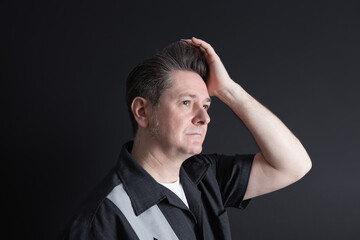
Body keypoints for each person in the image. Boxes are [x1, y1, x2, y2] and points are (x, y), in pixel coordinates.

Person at [60, 37, 312, 240]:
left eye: (206, 105)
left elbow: (294, 165)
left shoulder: (205, 176)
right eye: (186, 102)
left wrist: (228, 90)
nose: (204, 117)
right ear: (143, 112)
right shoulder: (100, 220)